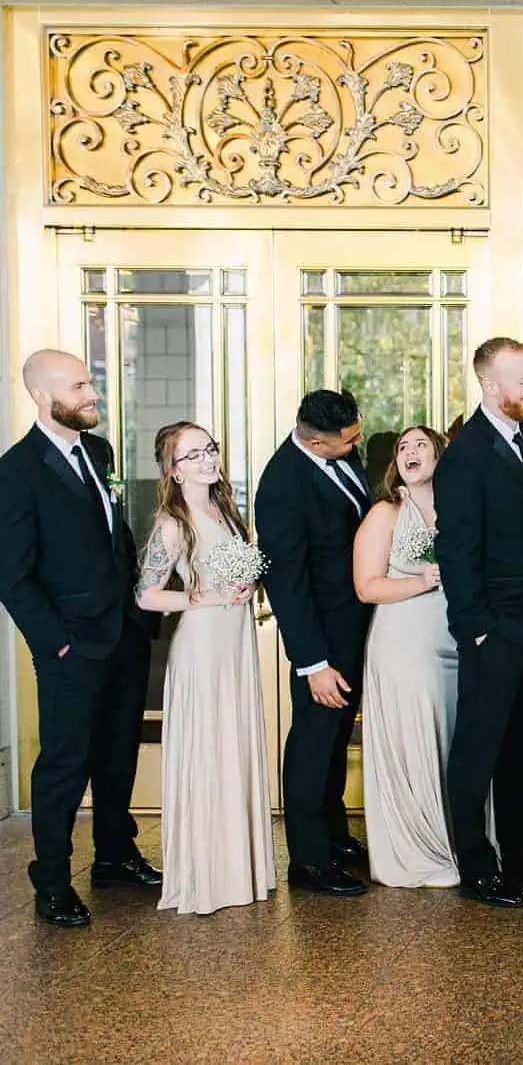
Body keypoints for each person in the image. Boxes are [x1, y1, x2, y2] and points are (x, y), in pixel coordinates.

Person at [0, 349, 159, 927]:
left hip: (123, 634)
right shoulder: (16, 472)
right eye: (79, 386)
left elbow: (112, 538)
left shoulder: (98, 451)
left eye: (90, 382)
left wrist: (139, 615)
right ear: (44, 397)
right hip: (70, 643)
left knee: (118, 755)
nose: (93, 394)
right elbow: (12, 575)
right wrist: (54, 642)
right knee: (65, 763)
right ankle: (51, 881)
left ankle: (115, 855)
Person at [436, 337, 523, 908]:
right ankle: (476, 865)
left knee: (519, 746)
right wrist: (476, 628)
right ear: (490, 386)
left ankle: (520, 852)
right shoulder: (465, 456)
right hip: (494, 627)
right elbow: (457, 551)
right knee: (478, 748)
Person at [137, 422, 274, 915]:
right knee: (208, 746)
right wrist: (203, 597)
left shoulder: (226, 511)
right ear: (173, 471)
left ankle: (241, 866)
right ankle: (208, 872)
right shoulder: (174, 523)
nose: (207, 460)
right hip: (201, 645)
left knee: (232, 744)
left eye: (210, 449)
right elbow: (147, 594)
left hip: (233, 643)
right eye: (192, 456)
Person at [257, 389, 373, 897]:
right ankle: (308, 861)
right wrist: (313, 662)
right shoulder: (282, 484)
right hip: (321, 639)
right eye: (347, 439)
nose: (357, 442)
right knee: (312, 744)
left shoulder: (343, 453)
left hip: (354, 626)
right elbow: (288, 580)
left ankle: (334, 835)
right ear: (314, 441)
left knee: (334, 743)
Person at [353, 425, 459, 890]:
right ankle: (419, 849)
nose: (410, 452)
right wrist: (423, 581)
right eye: (402, 447)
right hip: (403, 640)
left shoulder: (458, 508)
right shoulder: (385, 513)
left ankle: (457, 840)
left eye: (421, 445)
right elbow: (366, 586)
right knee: (414, 740)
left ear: (441, 456)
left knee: (450, 741)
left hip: (453, 640)